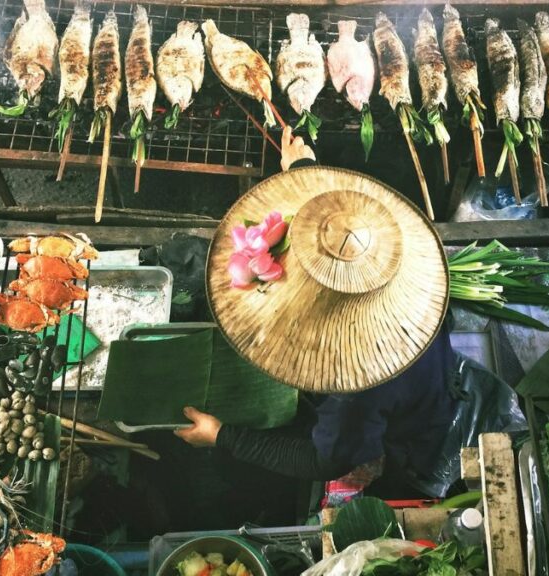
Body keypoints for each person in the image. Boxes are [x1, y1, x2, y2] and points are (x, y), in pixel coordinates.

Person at [175, 127, 458, 498]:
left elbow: (323, 461)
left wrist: (223, 437)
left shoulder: (353, 386)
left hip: (414, 426)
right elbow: (340, 236)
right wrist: (304, 169)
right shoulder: (383, 245)